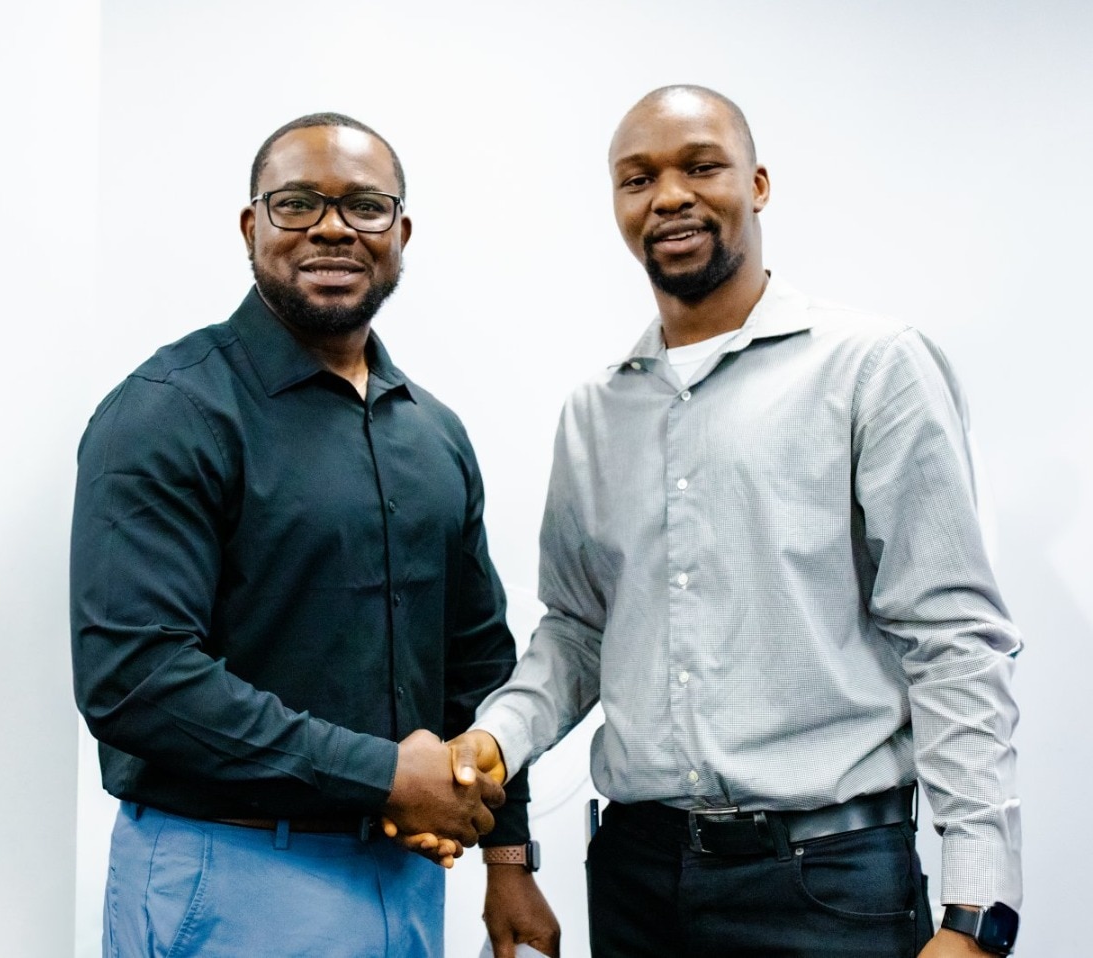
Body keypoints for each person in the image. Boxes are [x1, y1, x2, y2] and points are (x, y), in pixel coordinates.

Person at [451, 86, 1022, 957]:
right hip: (638, 880)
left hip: (828, 883)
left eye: (701, 166)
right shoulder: (595, 413)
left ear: (757, 184)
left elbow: (952, 637)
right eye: (638, 179)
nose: (669, 196)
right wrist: (498, 737)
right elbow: (579, 632)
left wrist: (979, 913)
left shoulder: (872, 369)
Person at [71, 112, 558, 958]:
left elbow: (477, 660)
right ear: (250, 226)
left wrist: (508, 859)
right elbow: (136, 678)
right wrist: (385, 777)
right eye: (297, 203)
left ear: (401, 234)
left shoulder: (434, 433)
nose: (333, 228)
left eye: (365, 206)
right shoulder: (168, 412)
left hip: (408, 877)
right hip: (228, 874)